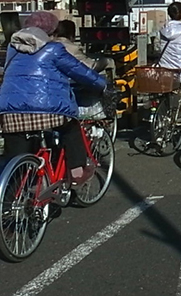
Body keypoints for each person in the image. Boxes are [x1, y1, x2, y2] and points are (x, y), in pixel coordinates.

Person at [0, 11, 107, 185]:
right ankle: (77, 171)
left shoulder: (13, 49)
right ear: (51, 30)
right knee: (71, 128)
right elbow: (80, 72)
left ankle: (11, 191)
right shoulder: (54, 49)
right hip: (47, 110)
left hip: (9, 110)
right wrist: (102, 84)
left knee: (14, 158)